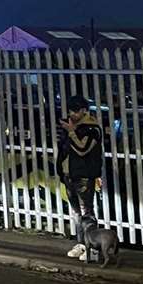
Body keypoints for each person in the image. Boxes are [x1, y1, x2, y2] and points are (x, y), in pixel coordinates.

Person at [57, 93, 103, 260]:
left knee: (87, 213)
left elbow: (82, 149)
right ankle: (82, 244)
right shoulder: (72, 126)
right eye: (70, 111)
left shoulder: (92, 128)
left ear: (84, 110)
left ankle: (95, 249)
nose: (72, 115)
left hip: (84, 175)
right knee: (77, 213)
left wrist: (71, 132)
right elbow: (63, 150)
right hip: (69, 174)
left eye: (75, 111)